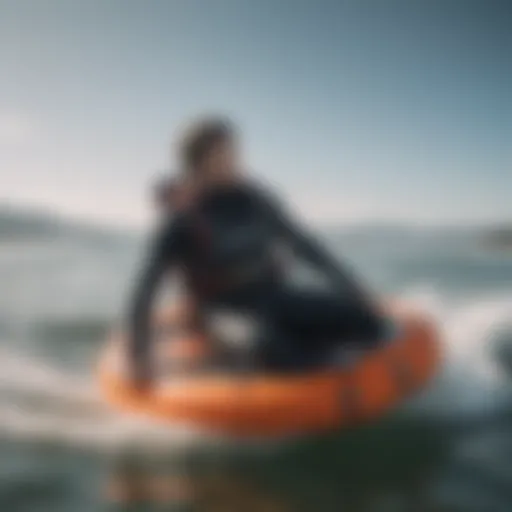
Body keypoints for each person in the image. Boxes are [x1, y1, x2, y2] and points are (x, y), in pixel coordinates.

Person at [128, 117, 384, 388]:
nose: (234, 160)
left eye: (234, 151)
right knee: (274, 346)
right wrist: (139, 355)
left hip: (272, 296)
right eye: (222, 154)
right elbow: (146, 286)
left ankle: (314, 346)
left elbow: (304, 244)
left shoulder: (256, 199)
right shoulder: (182, 218)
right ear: (197, 164)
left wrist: (350, 285)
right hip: (221, 310)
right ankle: (290, 358)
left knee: (365, 322)